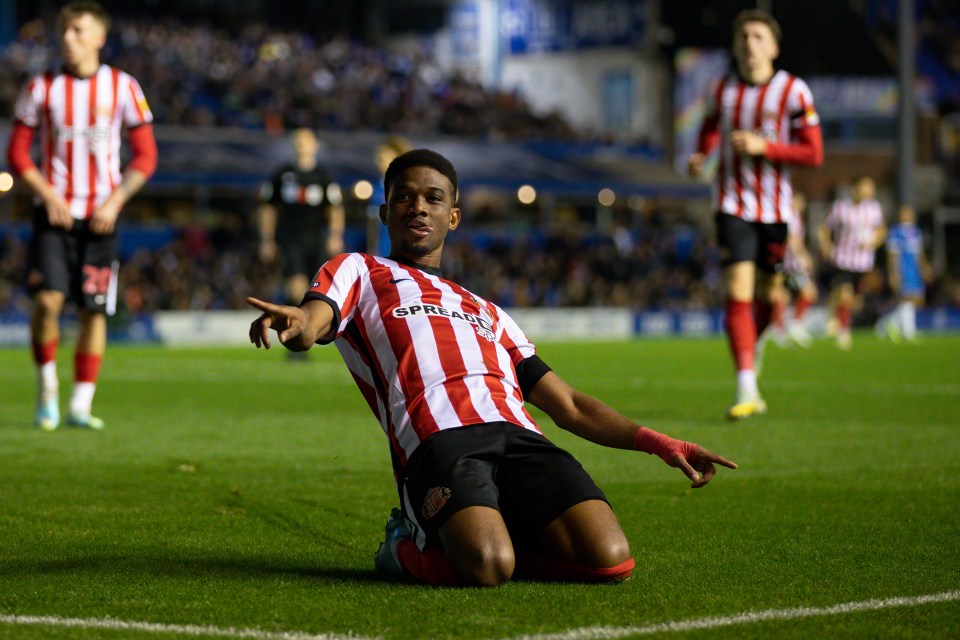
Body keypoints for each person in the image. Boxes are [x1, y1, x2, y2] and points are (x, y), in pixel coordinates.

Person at [248, 149, 737, 587]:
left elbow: (566, 405)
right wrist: (304, 325)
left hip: (521, 439)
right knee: (486, 568)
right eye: (404, 197)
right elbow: (318, 315)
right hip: (441, 442)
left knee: (610, 561)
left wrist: (657, 442)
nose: (419, 207)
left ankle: (493, 527)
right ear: (385, 212)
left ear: (453, 216)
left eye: (433, 198)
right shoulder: (358, 269)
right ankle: (403, 544)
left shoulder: (488, 310)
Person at [5, 1, 158, 430]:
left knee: (93, 311)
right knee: (47, 301)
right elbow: (17, 152)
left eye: (78, 31)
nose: (68, 39)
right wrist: (47, 193)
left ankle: (80, 404)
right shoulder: (41, 87)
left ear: (99, 37)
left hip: (101, 219)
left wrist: (114, 201)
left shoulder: (123, 86)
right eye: (65, 31)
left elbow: (146, 156)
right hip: (53, 216)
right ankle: (47, 390)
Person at [688, 9, 823, 419]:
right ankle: (746, 384)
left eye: (758, 36)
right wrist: (702, 153)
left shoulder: (794, 91)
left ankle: (755, 343)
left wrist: (768, 148)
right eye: (743, 35)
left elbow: (814, 154)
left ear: (774, 47)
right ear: (735, 45)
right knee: (738, 292)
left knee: (768, 297)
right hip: (732, 204)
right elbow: (710, 127)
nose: (750, 43)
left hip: (777, 210)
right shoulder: (722, 90)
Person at [258, 128, 344, 316]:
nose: (302, 146)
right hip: (290, 238)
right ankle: (295, 329)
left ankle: (311, 328)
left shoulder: (323, 176)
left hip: (316, 238)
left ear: (315, 146)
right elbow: (268, 208)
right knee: (295, 287)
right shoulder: (281, 174)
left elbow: (335, 208)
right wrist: (266, 239)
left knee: (318, 288)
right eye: (298, 141)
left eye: (306, 141)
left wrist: (335, 236)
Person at [817, 175, 887, 350]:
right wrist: (826, 247)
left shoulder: (875, 209)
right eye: (865, 187)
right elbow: (824, 228)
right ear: (855, 188)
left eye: (871, 187)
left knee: (855, 300)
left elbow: (881, 230)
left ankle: (834, 313)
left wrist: (873, 242)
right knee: (845, 294)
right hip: (843, 259)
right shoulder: (840, 208)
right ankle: (843, 331)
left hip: (864, 263)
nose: (868, 191)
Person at [875, 204, 931, 343]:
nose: (907, 215)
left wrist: (924, 267)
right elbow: (891, 255)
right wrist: (893, 273)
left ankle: (888, 323)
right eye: (905, 213)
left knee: (917, 299)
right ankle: (908, 330)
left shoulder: (916, 231)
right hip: (903, 268)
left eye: (910, 213)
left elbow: (920, 252)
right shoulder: (895, 232)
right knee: (906, 298)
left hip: (914, 269)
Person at [771, 191, 818, 348]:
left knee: (781, 295)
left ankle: (780, 330)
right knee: (808, 292)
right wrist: (803, 256)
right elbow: (792, 239)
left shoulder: (794, 217)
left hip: (784, 262)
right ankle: (794, 326)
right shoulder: (790, 216)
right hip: (790, 263)